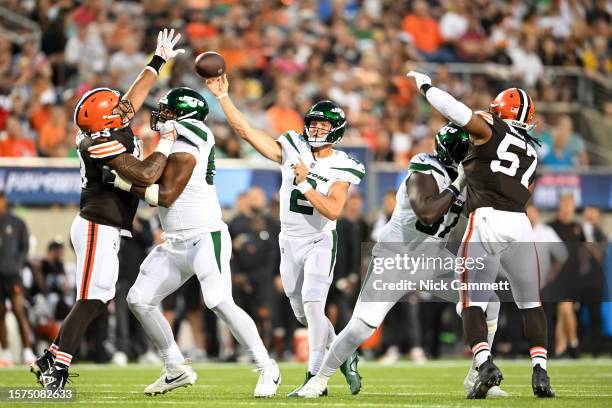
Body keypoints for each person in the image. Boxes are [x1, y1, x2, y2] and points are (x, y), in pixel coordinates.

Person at [31, 28, 185, 390]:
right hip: (96, 224)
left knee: (98, 298)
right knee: (91, 299)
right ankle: (56, 365)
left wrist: (157, 61)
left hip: (108, 225)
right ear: (105, 121)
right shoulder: (96, 144)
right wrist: (164, 142)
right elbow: (146, 176)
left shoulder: (105, 129)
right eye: (115, 109)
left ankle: (50, 358)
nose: (124, 109)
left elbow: (133, 97)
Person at [111, 87, 280, 397]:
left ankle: (266, 365)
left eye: (170, 112)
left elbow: (162, 196)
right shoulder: (176, 143)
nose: (162, 117)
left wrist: (119, 180)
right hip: (175, 243)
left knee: (218, 300)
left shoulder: (195, 138)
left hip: (205, 237)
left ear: (184, 117)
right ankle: (175, 367)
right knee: (139, 299)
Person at [206, 74, 364, 396]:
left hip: (320, 239)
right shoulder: (293, 144)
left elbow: (333, 210)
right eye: (314, 124)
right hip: (288, 241)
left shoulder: (344, 165)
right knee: (301, 311)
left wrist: (305, 182)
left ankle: (315, 379)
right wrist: (223, 98)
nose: (316, 130)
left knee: (314, 304)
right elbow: (246, 132)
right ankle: (343, 352)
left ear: (336, 130)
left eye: (323, 126)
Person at [297, 123, 477, 397]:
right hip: (397, 256)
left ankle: (479, 373)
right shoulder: (425, 167)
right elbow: (427, 213)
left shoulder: (465, 178)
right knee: (360, 328)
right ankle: (319, 379)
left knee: (485, 300)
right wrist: (458, 184)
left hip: (433, 258)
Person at [406, 71, 554, 399]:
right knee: (531, 303)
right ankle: (540, 371)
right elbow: (526, 190)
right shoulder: (531, 150)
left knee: (472, 301)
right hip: (520, 223)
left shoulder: (490, 129)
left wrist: (426, 86)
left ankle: (484, 363)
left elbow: (455, 109)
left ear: (500, 111)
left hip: (486, 219)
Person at [0, 191, 35, 365]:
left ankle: (28, 352)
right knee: (0, 314)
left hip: (12, 275)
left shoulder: (16, 222)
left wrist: (17, 264)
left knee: (19, 311)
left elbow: (25, 246)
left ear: (4, 200)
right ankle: (5, 353)